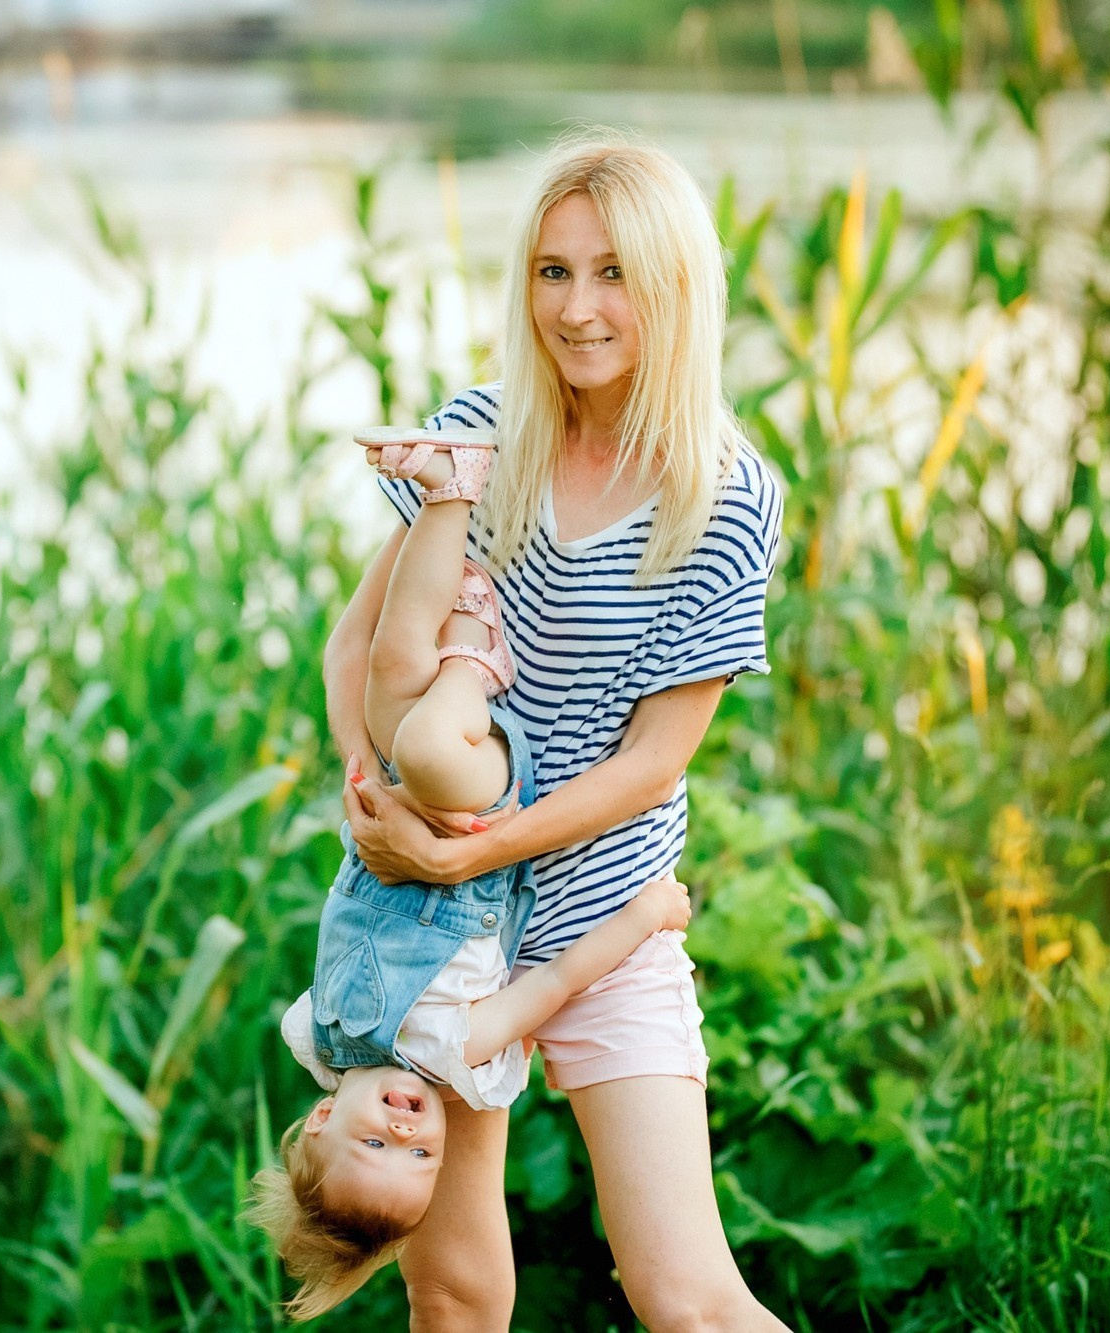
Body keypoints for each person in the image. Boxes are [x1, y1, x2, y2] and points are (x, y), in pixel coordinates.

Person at [329, 133, 793, 1331]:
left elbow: (653, 763)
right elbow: (355, 648)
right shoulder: (480, 436)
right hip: (432, 931)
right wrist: (371, 804)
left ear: (676, 287)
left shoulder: (727, 496)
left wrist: (475, 849)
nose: (575, 309)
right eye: (550, 272)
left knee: (685, 1297)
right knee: (456, 1286)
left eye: (612, 274)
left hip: (601, 904)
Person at [248, 424, 696, 1320]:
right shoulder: (461, 1053)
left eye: (379, 1139)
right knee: (419, 730)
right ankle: (472, 652)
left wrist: (367, 791)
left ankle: (454, 491)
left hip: (409, 790)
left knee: (389, 668)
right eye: (421, 1158)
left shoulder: (324, 1035)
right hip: (480, 795)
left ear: (325, 1118)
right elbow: (561, 977)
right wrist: (647, 914)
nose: (412, 1133)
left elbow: (351, 652)